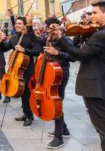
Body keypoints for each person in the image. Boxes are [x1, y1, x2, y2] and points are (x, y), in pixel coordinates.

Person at [49, 1, 105, 151]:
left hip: (96, 84)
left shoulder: (102, 35)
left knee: (104, 128)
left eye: (94, 13)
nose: (91, 16)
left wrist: (61, 37)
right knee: (103, 127)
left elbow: (80, 54)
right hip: (98, 83)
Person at [32, 17, 75, 149]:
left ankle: (58, 138)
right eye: (49, 27)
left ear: (58, 27)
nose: (51, 30)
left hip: (61, 72)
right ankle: (64, 129)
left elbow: (72, 57)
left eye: (53, 27)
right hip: (50, 73)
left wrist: (57, 52)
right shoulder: (48, 39)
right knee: (56, 101)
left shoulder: (66, 40)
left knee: (57, 102)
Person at [0, 16, 42, 126]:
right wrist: (0, 42)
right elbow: (4, 49)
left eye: (20, 24)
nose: (17, 25)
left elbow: (38, 51)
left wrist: (24, 50)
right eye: (16, 23)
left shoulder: (29, 38)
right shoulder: (13, 38)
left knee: (26, 93)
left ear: (24, 26)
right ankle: (25, 113)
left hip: (27, 69)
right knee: (21, 92)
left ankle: (29, 116)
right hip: (16, 70)